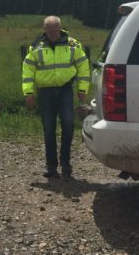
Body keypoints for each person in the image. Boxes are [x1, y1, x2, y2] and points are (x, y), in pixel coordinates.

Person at [22, 16, 90, 178]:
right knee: (48, 129)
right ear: (44, 30)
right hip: (45, 92)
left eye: (55, 30)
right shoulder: (35, 47)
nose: (52, 34)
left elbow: (83, 67)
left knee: (68, 124)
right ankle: (51, 166)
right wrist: (29, 93)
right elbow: (27, 72)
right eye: (49, 31)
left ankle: (65, 162)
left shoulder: (72, 45)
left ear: (60, 28)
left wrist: (82, 89)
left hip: (65, 90)